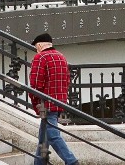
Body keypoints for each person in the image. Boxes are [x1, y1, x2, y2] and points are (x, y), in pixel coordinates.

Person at [29, 33, 79, 165]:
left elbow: (35, 85)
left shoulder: (40, 57)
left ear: (39, 45)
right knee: (43, 139)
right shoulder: (61, 57)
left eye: (36, 47)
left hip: (46, 104)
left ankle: (71, 161)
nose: (36, 49)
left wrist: (36, 105)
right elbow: (67, 81)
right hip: (59, 102)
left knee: (52, 135)